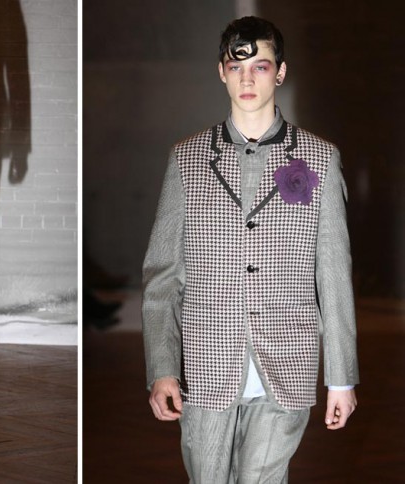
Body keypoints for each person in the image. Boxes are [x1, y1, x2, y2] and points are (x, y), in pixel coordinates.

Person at [141, 16, 358, 482]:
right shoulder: (187, 158)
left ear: (280, 73)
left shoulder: (320, 158)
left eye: (260, 66)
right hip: (205, 366)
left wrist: (341, 378)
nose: (247, 79)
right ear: (221, 72)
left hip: (288, 361)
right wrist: (162, 368)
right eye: (236, 67)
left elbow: (334, 275)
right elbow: (162, 277)